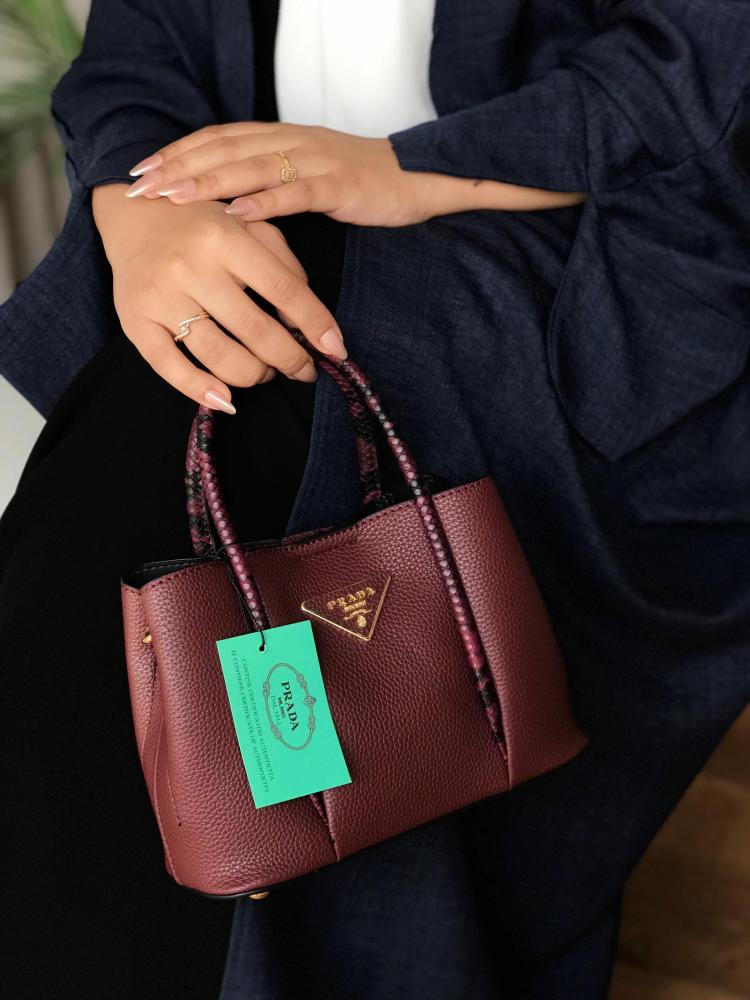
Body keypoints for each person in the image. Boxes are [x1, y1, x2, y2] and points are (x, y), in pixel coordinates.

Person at [1, 1, 748, 998]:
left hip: (586, 280)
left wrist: (400, 169)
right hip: (253, 245)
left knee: (198, 555)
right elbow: (136, 48)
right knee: (126, 566)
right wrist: (143, 206)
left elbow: (697, 62)